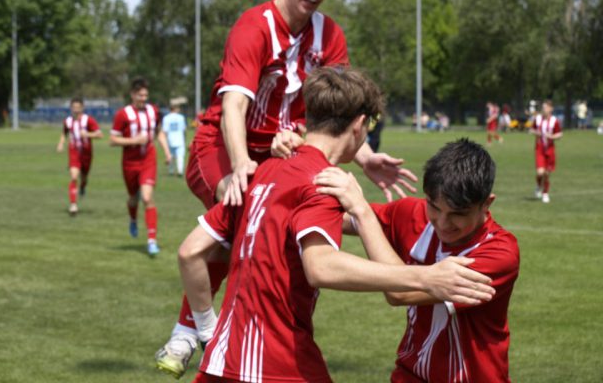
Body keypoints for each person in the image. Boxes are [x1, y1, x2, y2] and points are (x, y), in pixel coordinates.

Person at [157, 0, 418, 371]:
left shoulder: (329, 35)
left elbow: (338, 110)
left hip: (279, 155)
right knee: (242, 210)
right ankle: (194, 329)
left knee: (269, 231)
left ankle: (221, 333)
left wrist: (366, 156)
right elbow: (234, 105)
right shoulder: (254, 27)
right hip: (220, 147)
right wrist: (242, 164)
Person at [172, 68, 494, 383]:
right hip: (276, 363)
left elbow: (190, 252)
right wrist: (426, 276)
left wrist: (206, 328)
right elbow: (321, 267)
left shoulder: (263, 171)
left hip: (221, 361)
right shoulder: (322, 181)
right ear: (359, 125)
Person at [315, 138, 520, 382]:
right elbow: (341, 220)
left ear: (487, 203)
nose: (442, 223)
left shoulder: (499, 253)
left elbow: (400, 294)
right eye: (434, 207)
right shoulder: (413, 214)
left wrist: (362, 212)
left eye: (458, 214)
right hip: (410, 374)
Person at [110, 77, 171, 256]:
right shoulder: (123, 114)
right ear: (132, 95)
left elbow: (159, 133)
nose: (143, 98)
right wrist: (134, 140)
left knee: (146, 197)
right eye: (140, 95)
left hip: (148, 160)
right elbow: (112, 140)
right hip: (129, 162)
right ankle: (133, 219)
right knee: (133, 198)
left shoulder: (154, 111)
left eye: (145, 95)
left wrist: (167, 152)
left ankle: (152, 241)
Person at [56, 98, 102, 215]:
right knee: (74, 176)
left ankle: (82, 187)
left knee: (84, 178)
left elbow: (99, 134)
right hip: (74, 151)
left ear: (82, 108)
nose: (76, 110)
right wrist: (61, 143)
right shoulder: (67, 121)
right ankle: (73, 205)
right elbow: (64, 133)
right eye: (74, 107)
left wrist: (87, 134)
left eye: (78, 107)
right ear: (71, 108)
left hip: (86, 153)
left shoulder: (88, 120)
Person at [530, 99, 562, 203]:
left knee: (547, 173)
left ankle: (545, 193)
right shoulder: (538, 119)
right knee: (540, 172)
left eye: (546, 107)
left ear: (551, 109)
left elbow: (560, 134)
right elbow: (531, 129)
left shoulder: (554, 120)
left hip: (550, 149)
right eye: (543, 107)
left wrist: (551, 136)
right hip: (539, 149)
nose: (544, 109)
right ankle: (538, 185)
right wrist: (536, 133)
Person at [161, 99, 187, 177]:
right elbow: (184, 129)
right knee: (180, 156)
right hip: (179, 139)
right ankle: (180, 171)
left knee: (171, 155)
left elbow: (165, 131)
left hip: (170, 139)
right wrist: (184, 138)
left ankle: (171, 171)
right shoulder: (181, 117)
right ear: (176, 109)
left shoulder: (166, 118)